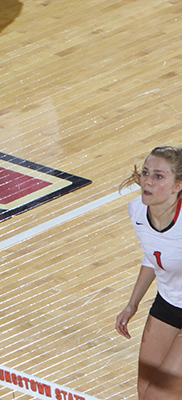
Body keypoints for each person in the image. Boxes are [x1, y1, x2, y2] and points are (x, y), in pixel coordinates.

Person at [115, 146, 182, 400]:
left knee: (159, 396)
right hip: (167, 303)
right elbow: (153, 256)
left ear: (178, 186)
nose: (147, 181)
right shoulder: (138, 211)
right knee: (145, 394)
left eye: (159, 176)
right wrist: (132, 304)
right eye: (145, 173)